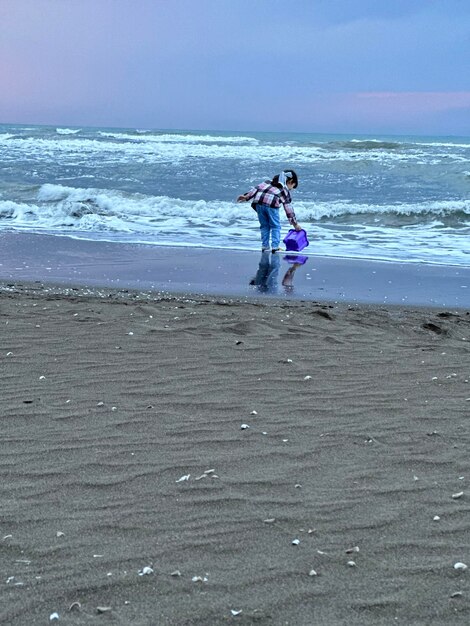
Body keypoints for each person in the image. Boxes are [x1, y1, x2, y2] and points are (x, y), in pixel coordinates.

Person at [237, 170, 302, 253]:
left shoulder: (267, 182)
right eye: (292, 186)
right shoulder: (284, 190)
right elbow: (288, 209)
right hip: (271, 205)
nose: (291, 189)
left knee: (264, 226)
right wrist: (295, 224)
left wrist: (246, 196)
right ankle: (275, 246)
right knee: (275, 226)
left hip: (258, 203)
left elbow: (256, 188)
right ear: (290, 182)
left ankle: (265, 246)